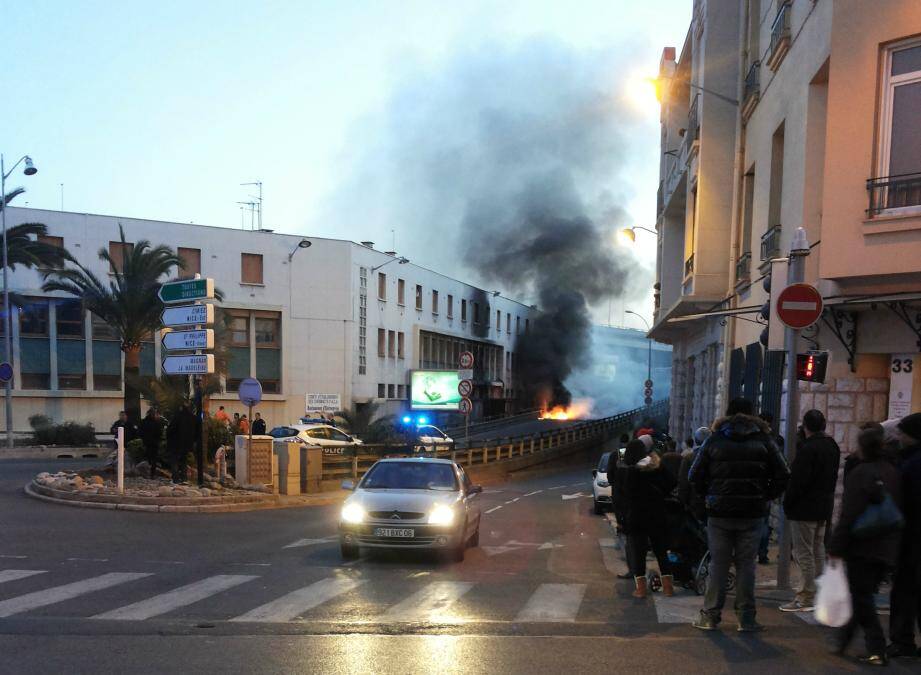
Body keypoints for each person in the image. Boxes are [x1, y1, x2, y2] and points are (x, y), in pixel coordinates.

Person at [689, 397, 790, 632]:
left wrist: (710, 495)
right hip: (752, 514)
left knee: (719, 565)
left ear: (727, 414)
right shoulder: (764, 439)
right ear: (752, 415)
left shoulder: (714, 439)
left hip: (719, 514)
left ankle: (710, 616)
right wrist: (765, 495)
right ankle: (746, 618)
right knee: (746, 566)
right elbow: (784, 473)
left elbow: (694, 475)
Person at [828, 423, 903, 666]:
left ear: (862, 446)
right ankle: (844, 639)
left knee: (861, 596)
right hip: (887, 544)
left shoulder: (861, 473)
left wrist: (836, 546)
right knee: (862, 594)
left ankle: (876, 649)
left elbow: (849, 514)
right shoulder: (892, 470)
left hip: (863, 546)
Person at [779, 409, 841, 613]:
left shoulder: (808, 449)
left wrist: (788, 503)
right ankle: (816, 592)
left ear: (805, 426)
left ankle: (805, 595)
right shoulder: (832, 446)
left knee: (804, 553)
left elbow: (798, 482)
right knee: (817, 551)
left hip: (804, 508)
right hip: (823, 506)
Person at [622, 438, 677, 598]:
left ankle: (641, 589)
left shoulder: (631, 471)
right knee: (661, 551)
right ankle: (668, 588)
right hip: (658, 514)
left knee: (639, 553)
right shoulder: (658, 466)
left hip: (638, 517)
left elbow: (628, 495)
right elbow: (672, 482)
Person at [888, 413, 921, 659]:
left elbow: (903, 501)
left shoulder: (911, 464)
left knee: (904, 591)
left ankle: (902, 640)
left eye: (902, 433)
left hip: (911, 538)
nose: (898, 436)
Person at [677, 426, 710, 520]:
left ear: (695, 440)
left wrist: (682, 501)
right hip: (712, 502)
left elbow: (684, 482)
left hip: (694, 502)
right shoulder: (716, 456)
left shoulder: (689, 458)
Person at [166, 403, 198, 484]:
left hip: (176, 442)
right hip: (187, 443)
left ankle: (175, 479)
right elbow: (196, 431)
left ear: (181, 408)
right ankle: (184, 478)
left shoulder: (177, 416)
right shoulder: (193, 417)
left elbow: (170, 429)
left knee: (174, 460)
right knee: (184, 460)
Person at [138, 408, 166, 479]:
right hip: (154, 443)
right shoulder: (156, 423)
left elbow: (140, 432)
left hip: (146, 442)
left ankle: (145, 473)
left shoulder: (143, 422)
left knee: (146, 458)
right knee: (154, 459)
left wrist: (143, 438)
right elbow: (160, 433)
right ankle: (152, 474)